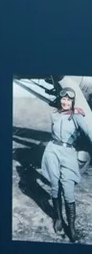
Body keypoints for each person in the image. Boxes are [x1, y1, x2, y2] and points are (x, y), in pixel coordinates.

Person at [41, 87, 92, 242]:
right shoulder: (54, 115)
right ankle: (58, 218)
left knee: (68, 190)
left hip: (68, 153)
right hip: (52, 151)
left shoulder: (77, 116)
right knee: (55, 186)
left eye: (69, 100)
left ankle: (72, 228)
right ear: (60, 99)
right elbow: (53, 132)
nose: (65, 102)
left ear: (72, 102)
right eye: (63, 99)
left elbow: (88, 134)